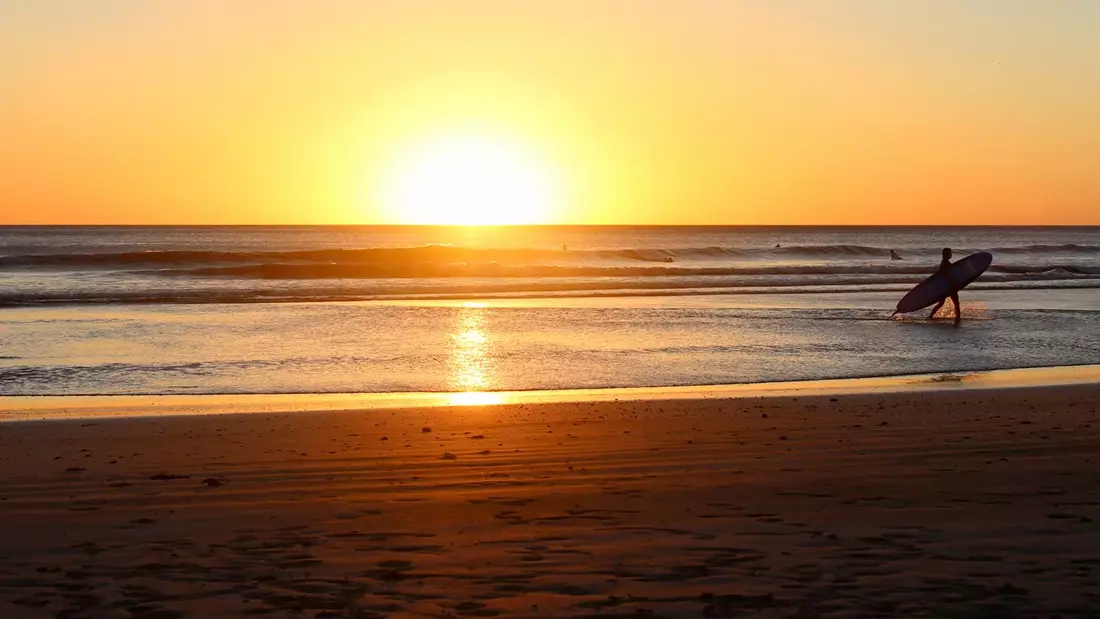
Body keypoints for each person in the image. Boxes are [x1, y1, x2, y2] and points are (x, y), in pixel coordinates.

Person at [927, 247, 961, 324]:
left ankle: (930, 316)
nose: (951, 254)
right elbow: (947, 276)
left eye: (951, 253)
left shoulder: (944, 262)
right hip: (949, 287)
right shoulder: (945, 264)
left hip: (945, 287)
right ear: (945, 254)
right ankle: (958, 318)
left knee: (941, 303)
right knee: (956, 303)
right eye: (949, 253)